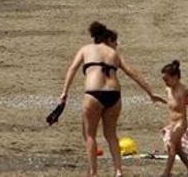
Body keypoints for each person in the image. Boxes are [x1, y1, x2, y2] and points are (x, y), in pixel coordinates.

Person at [57, 22, 164, 177]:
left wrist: (64, 93)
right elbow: (132, 73)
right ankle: (118, 171)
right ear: (108, 40)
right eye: (115, 42)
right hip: (114, 95)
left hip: (94, 94)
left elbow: (72, 69)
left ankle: (93, 173)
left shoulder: (86, 49)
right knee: (111, 135)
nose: (116, 46)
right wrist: (150, 93)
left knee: (90, 135)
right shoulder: (114, 55)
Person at [160, 60, 188, 177]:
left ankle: (166, 173)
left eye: (167, 80)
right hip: (172, 123)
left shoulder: (184, 89)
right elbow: (170, 103)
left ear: (176, 77)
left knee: (171, 144)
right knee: (177, 148)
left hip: (181, 122)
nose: (165, 83)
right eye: (164, 80)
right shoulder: (167, 90)